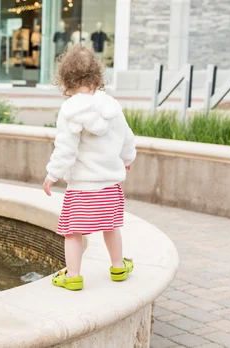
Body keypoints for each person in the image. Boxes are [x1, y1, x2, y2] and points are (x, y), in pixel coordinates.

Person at [43, 45, 137, 291]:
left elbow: (65, 148)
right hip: (108, 185)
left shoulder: (70, 110)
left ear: (66, 80)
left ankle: (73, 275)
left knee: (73, 232)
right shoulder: (112, 107)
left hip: (82, 188)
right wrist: (127, 160)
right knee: (111, 227)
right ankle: (118, 266)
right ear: (97, 76)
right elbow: (127, 138)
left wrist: (52, 175)